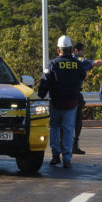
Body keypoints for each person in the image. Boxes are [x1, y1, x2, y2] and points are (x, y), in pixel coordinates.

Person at [38, 36, 86, 169]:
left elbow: (45, 81)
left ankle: (55, 156)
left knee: (54, 128)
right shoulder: (77, 64)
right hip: (71, 103)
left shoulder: (53, 64)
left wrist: (41, 95)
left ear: (59, 50)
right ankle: (67, 158)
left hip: (56, 102)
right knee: (68, 130)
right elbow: (83, 75)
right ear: (70, 49)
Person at [71, 42, 102, 155]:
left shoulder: (63, 60)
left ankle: (62, 147)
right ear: (76, 51)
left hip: (61, 94)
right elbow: (96, 63)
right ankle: (74, 146)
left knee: (62, 122)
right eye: (82, 50)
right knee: (77, 122)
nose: (84, 53)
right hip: (74, 94)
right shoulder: (80, 61)